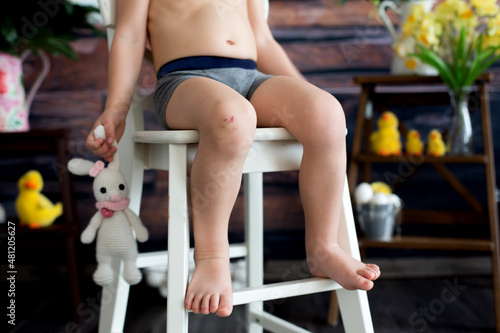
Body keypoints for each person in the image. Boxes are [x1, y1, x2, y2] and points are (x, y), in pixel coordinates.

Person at [86, 0, 381, 318]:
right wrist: (116, 108)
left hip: (251, 79)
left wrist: (305, 96)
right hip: (186, 82)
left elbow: (262, 39)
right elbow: (129, 36)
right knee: (233, 118)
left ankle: (323, 248)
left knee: (327, 113)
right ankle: (212, 256)